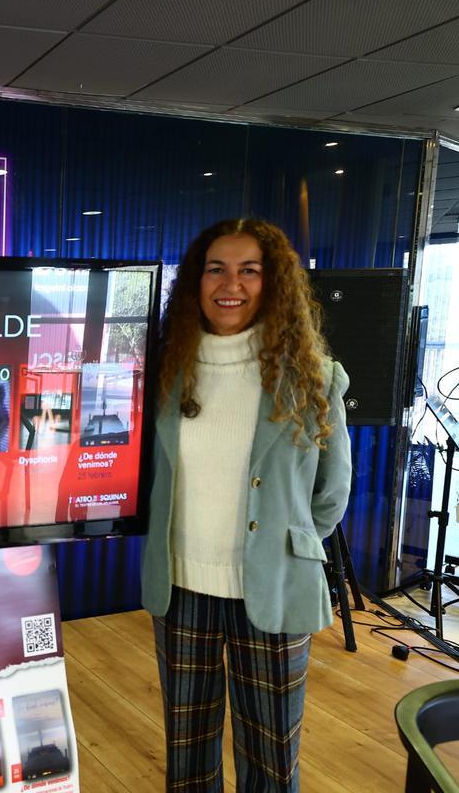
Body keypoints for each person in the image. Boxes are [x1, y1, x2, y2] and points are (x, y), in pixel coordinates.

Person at [141, 217, 352, 791]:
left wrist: (284, 546)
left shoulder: (314, 377)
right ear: (196, 281)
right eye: (216, 268)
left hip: (275, 589)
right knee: (187, 757)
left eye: (249, 270)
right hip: (182, 589)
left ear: (273, 283)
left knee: (272, 759)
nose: (229, 283)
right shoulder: (163, 371)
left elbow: (331, 494)